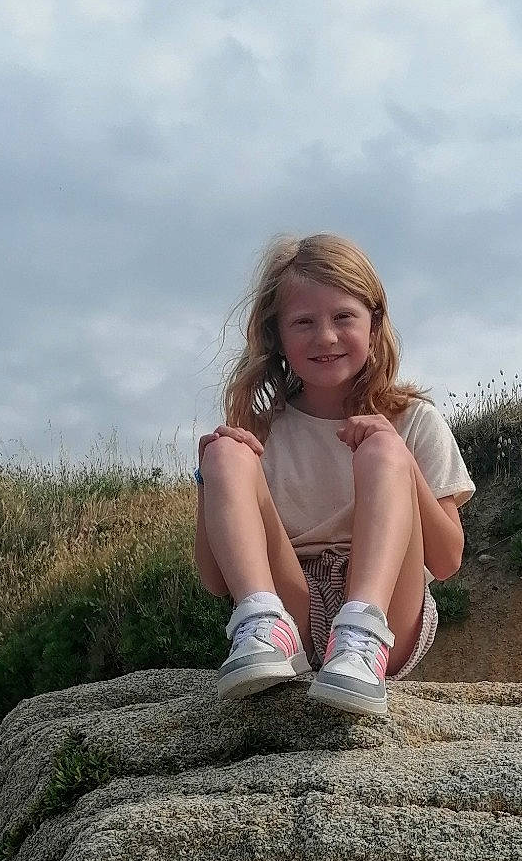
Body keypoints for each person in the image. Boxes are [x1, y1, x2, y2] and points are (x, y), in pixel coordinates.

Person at [193, 232, 475, 715]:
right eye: (303, 322)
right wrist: (209, 480)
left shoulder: (414, 420)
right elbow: (216, 581)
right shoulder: (261, 430)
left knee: (383, 450)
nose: (324, 337)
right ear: (276, 336)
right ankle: (261, 627)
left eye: (343, 316)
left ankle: (359, 639)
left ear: (374, 322)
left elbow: (447, 560)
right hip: (290, 601)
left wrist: (401, 459)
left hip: (387, 608)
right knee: (224, 452)